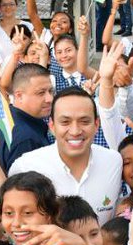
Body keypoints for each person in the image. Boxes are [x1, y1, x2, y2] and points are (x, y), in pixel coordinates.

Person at [8, 88, 123, 224]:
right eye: (65, 122)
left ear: (96, 124)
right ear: (52, 126)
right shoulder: (26, 166)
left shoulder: (113, 162)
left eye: (84, 121)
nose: (75, 131)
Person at [0, 62, 54, 176]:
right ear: (19, 96)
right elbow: (24, 185)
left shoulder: (7, 116)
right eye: (41, 93)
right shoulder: (26, 138)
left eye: (50, 91)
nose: (49, 98)